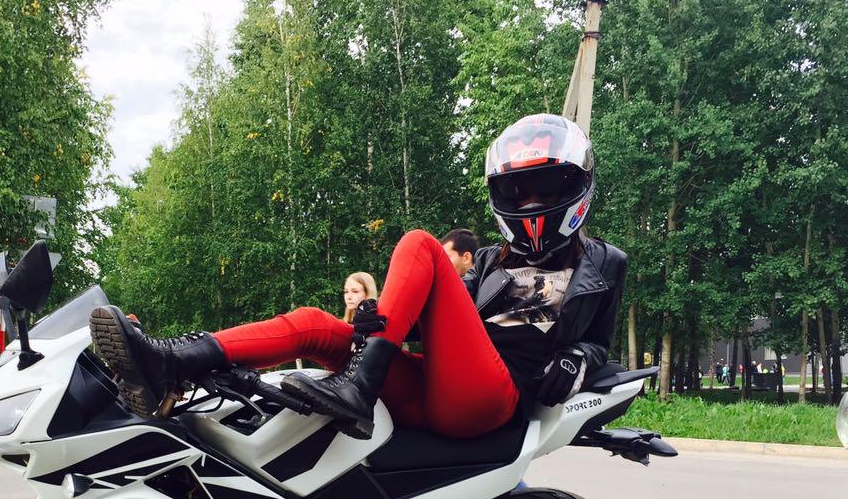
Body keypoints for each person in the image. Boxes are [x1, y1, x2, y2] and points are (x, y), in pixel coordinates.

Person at [90, 113, 626, 441]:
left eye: (545, 188)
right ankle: (171, 361)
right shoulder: (487, 261)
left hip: (494, 397)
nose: (530, 203)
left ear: (575, 187)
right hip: (436, 385)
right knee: (316, 324)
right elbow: (439, 327)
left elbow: (600, 342)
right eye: (519, 191)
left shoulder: (606, 262)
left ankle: (357, 391)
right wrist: (381, 320)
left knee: (419, 242)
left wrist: (579, 357)